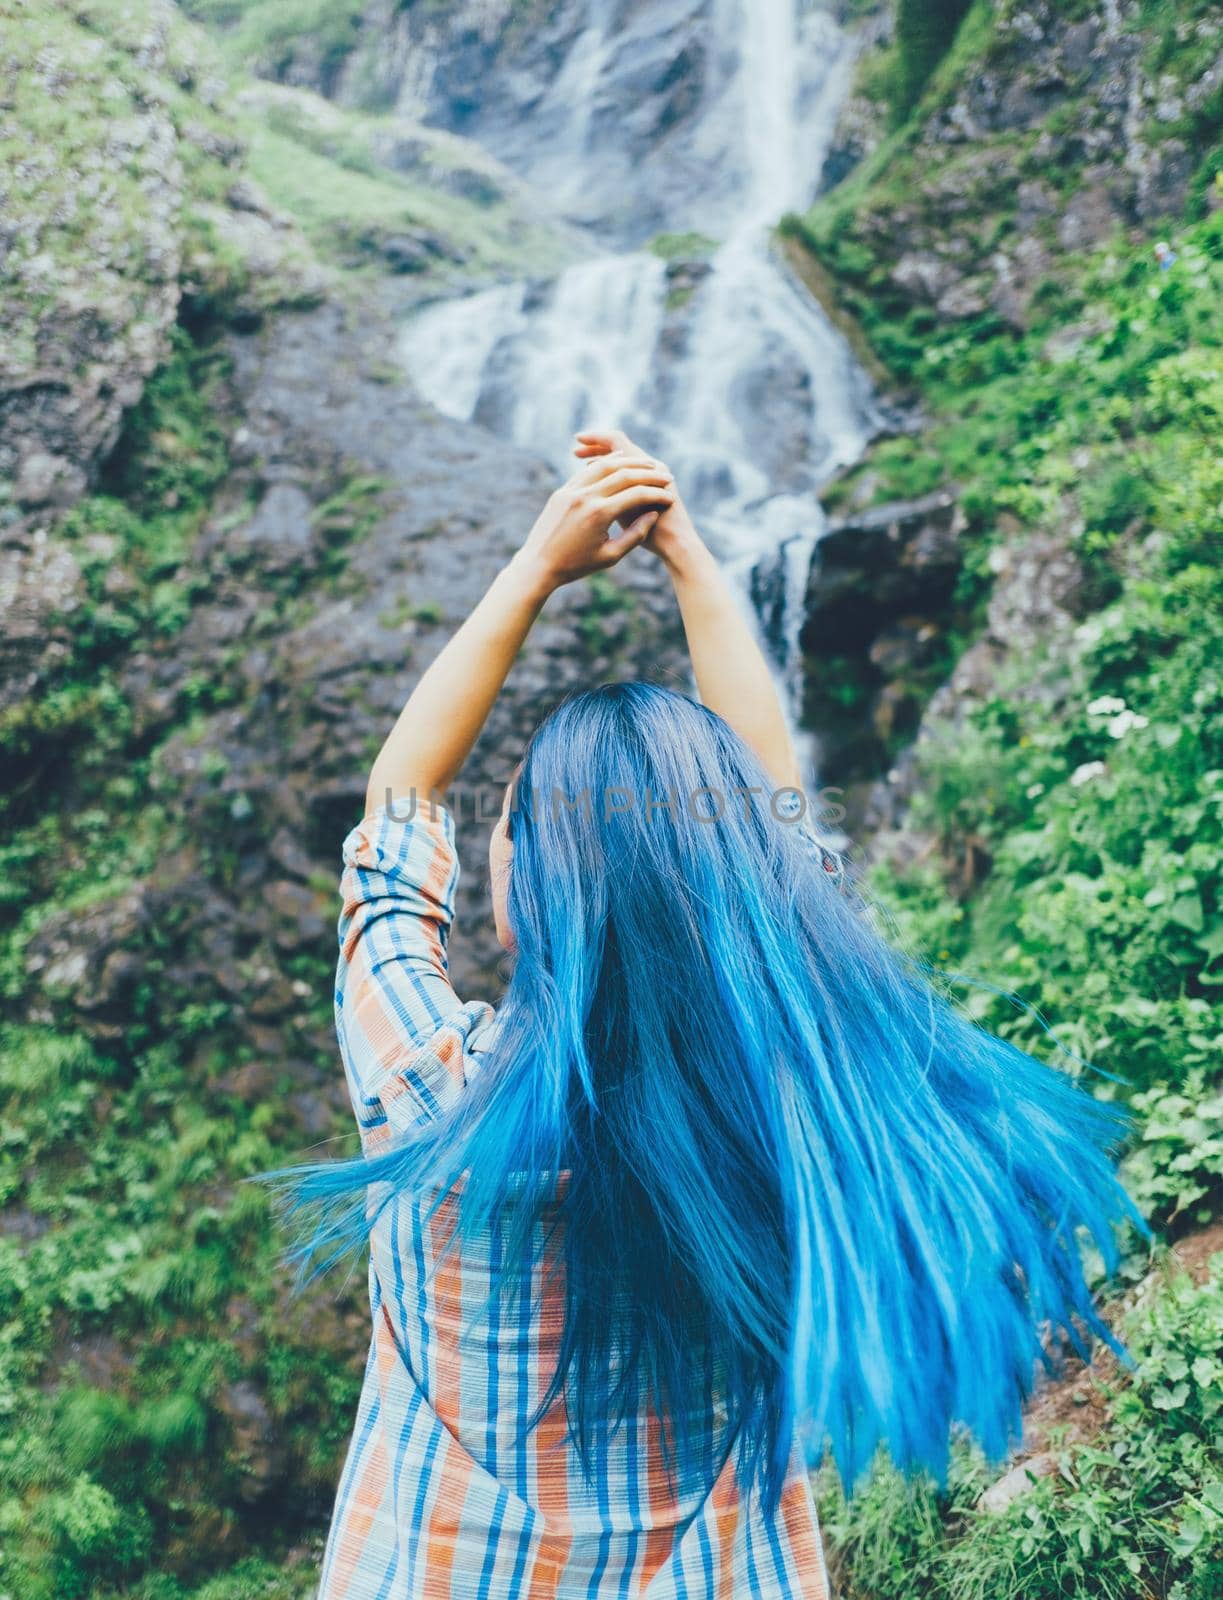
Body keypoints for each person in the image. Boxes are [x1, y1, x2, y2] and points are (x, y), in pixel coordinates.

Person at [260, 429, 1136, 1598]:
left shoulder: (428, 1089)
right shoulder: (793, 1096)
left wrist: (533, 567)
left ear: (515, 881)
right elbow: (776, 839)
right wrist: (688, 554)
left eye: (509, 823)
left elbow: (393, 817)